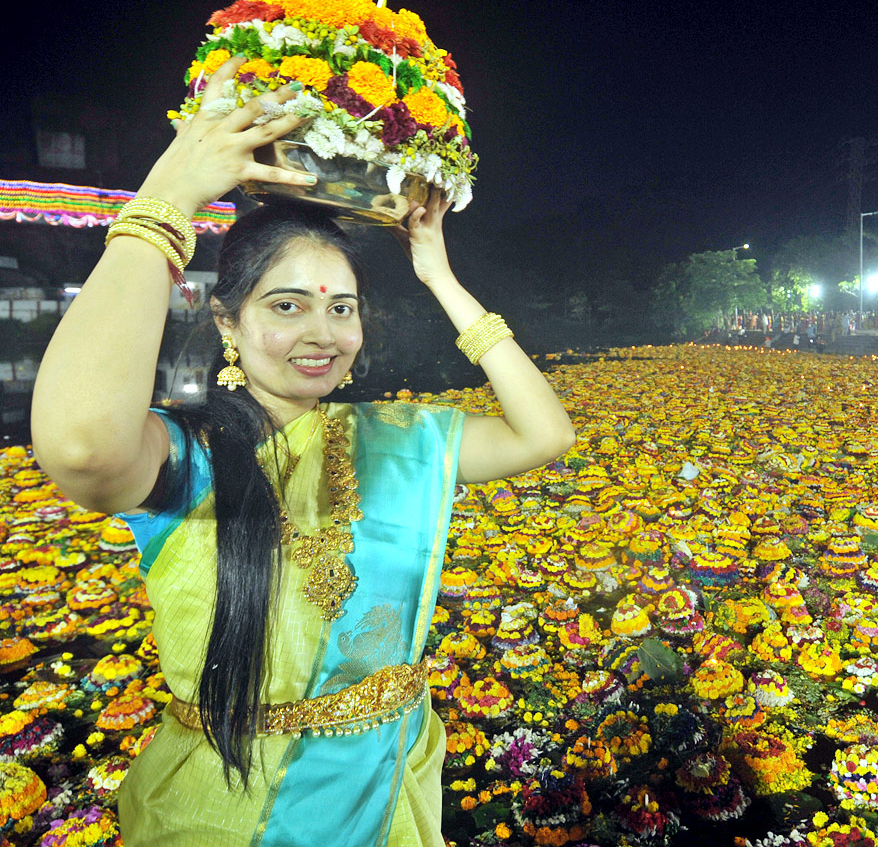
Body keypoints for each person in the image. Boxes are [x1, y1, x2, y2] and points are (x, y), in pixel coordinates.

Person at [30, 59, 575, 847]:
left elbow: (545, 433)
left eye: (342, 309)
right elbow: (81, 445)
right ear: (229, 323)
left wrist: (439, 274)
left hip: (389, 790)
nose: (323, 336)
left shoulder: (394, 437)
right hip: (232, 810)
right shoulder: (186, 458)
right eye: (287, 307)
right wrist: (165, 205)